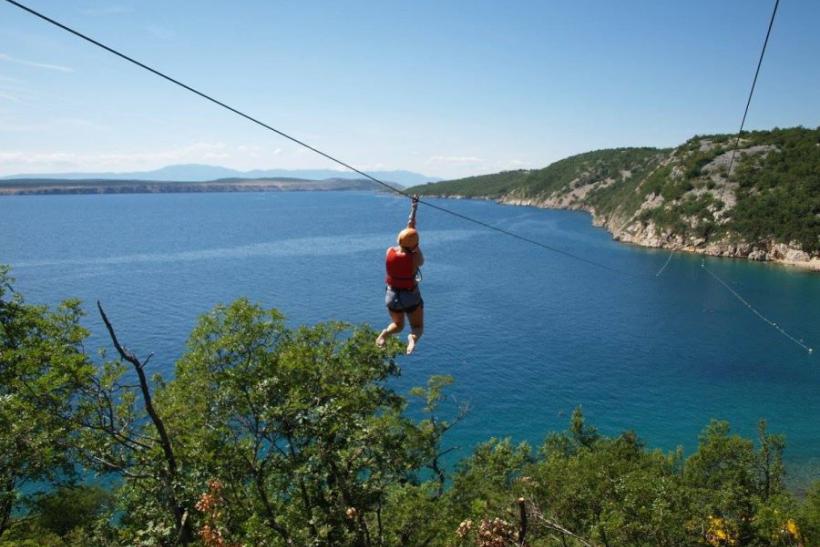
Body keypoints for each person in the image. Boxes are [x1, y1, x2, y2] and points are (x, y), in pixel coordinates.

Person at [376, 196, 424, 354]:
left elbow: (408, 233)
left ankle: (385, 334)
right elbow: (417, 255)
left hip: (391, 295)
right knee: (417, 327)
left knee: (397, 324)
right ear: (415, 244)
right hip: (410, 295)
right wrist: (416, 246)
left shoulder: (389, 251)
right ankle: (412, 338)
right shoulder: (415, 258)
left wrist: (413, 207)